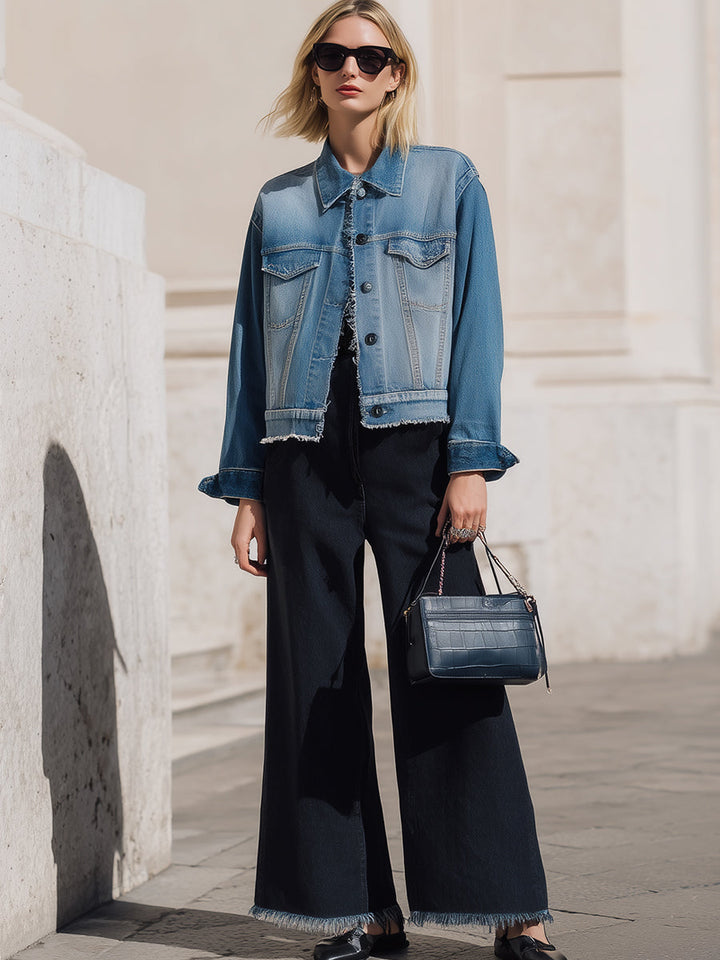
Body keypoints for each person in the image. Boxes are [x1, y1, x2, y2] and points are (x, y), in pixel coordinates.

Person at [199, 3, 568, 959]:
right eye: (333, 55)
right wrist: (247, 487)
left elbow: (478, 326)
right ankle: (360, 909)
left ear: (397, 72)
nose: (351, 69)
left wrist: (472, 459)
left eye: (371, 55)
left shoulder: (449, 183)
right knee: (313, 683)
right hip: (301, 459)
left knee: (449, 675)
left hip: (417, 453)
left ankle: (511, 908)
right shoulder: (278, 204)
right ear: (313, 73)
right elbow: (249, 350)